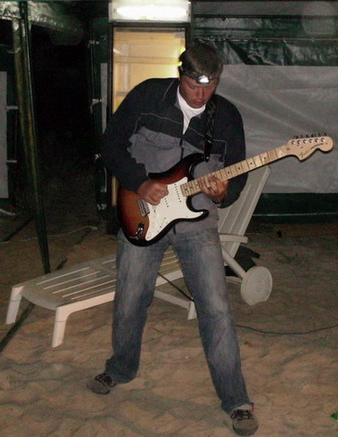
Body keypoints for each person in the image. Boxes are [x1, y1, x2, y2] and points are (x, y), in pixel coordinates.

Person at [88, 42, 258, 436]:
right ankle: (120, 369)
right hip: (141, 213)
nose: (201, 95)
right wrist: (139, 182)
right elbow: (110, 145)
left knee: (216, 309)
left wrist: (224, 192)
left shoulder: (226, 116)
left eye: (210, 87)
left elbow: (237, 174)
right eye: (194, 85)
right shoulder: (148, 95)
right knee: (130, 298)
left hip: (197, 224)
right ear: (180, 74)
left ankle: (236, 401)